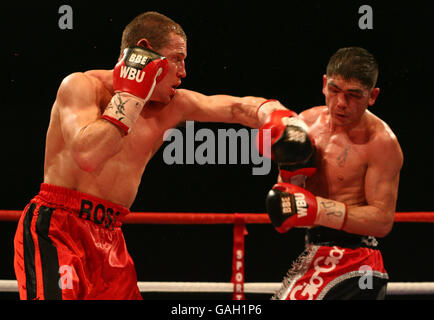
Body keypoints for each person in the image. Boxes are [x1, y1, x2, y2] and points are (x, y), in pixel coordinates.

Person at [13, 11, 288, 300]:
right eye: (178, 58)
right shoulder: (82, 86)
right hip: (58, 228)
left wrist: (279, 116)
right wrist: (131, 95)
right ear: (144, 50)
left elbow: (236, 108)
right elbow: (89, 155)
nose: (184, 72)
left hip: (110, 236)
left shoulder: (172, 106)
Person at [257, 47, 403, 300]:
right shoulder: (306, 123)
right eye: (334, 90)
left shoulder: (381, 143)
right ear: (324, 84)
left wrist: (318, 208)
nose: (341, 103)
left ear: (373, 96)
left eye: (354, 95)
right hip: (315, 252)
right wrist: (287, 173)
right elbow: (288, 199)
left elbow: (382, 220)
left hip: (358, 260)